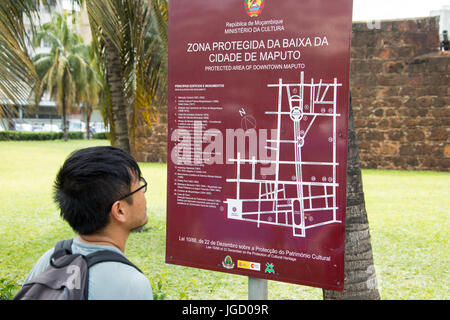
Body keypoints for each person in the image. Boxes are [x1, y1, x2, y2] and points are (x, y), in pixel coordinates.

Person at [22, 146, 153, 300]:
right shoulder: (132, 284)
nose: (144, 195)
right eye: (140, 186)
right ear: (120, 210)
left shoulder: (51, 259)